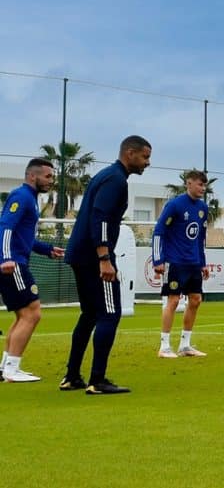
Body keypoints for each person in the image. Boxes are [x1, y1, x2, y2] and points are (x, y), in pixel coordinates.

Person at [61, 135, 152, 395]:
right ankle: (97, 380)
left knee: (89, 314)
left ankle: (71, 376)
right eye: (145, 157)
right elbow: (100, 217)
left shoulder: (106, 175)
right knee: (110, 314)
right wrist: (104, 258)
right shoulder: (115, 179)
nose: (147, 163)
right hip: (93, 257)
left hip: (80, 254)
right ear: (130, 153)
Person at [0, 158, 64, 382]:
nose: (51, 181)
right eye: (47, 176)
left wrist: (47, 249)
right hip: (13, 264)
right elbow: (5, 227)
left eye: (52, 177)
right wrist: (7, 258)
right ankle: (12, 369)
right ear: (32, 176)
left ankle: (5, 367)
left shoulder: (31, 200)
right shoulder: (22, 196)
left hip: (16, 261)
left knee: (22, 315)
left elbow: (24, 236)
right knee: (32, 313)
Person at [153, 170, 211, 358]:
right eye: (200, 184)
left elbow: (201, 238)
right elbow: (158, 231)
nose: (203, 188)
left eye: (205, 185)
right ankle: (164, 346)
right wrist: (158, 259)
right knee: (174, 300)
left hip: (193, 262)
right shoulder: (175, 205)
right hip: (175, 261)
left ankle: (185, 345)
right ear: (189, 183)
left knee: (196, 300)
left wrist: (203, 263)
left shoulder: (203, 208)